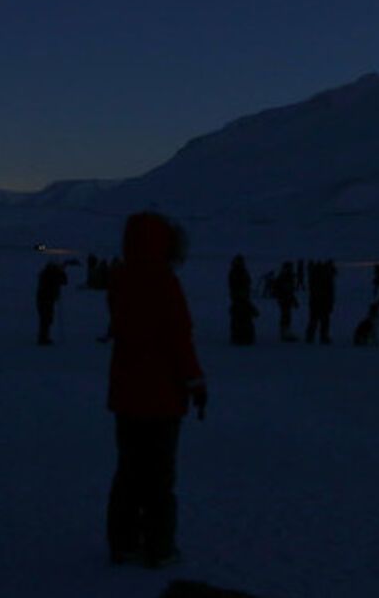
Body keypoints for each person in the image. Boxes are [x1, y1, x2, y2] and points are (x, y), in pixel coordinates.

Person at [106, 212, 206, 568]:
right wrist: (195, 382)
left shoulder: (120, 280)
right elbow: (179, 339)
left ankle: (123, 542)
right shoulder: (164, 283)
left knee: (128, 470)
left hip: (125, 395)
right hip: (162, 396)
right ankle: (159, 546)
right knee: (159, 476)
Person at [36, 261, 68, 345]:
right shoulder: (48, 275)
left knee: (47, 319)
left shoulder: (47, 274)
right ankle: (43, 338)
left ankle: (44, 337)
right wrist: (61, 272)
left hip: (46, 299)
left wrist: (61, 272)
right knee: (45, 319)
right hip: (45, 299)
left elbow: (64, 281)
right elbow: (63, 281)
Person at [227, 255, 257, 346]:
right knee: (238, 318)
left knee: (245, 318)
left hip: (243, 298)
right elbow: (234, 286)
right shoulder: (235, 273)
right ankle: (239, 337)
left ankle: (245, 337)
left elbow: (247, 283)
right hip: (238, 299)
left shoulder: (243, 272)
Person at [305, 259, 336, 344]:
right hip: (322, 301)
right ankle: (322, 336)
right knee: (323, 320)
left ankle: (311, 336)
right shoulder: (326, 277)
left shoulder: (315, 275)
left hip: (316, 301)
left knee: (315, 319)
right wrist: (330, 302)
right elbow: (329, 291)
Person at [273, 263, 298, 342]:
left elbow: (290, 290)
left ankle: (285, 332)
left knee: (287, 315)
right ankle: (284, 333)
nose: (290, 269)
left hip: (287, 299)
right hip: (283, 299)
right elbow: (277, 289)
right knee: (285, 315)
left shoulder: (289, 277)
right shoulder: (282, 277)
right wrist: (280, 297)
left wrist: (293, 299)